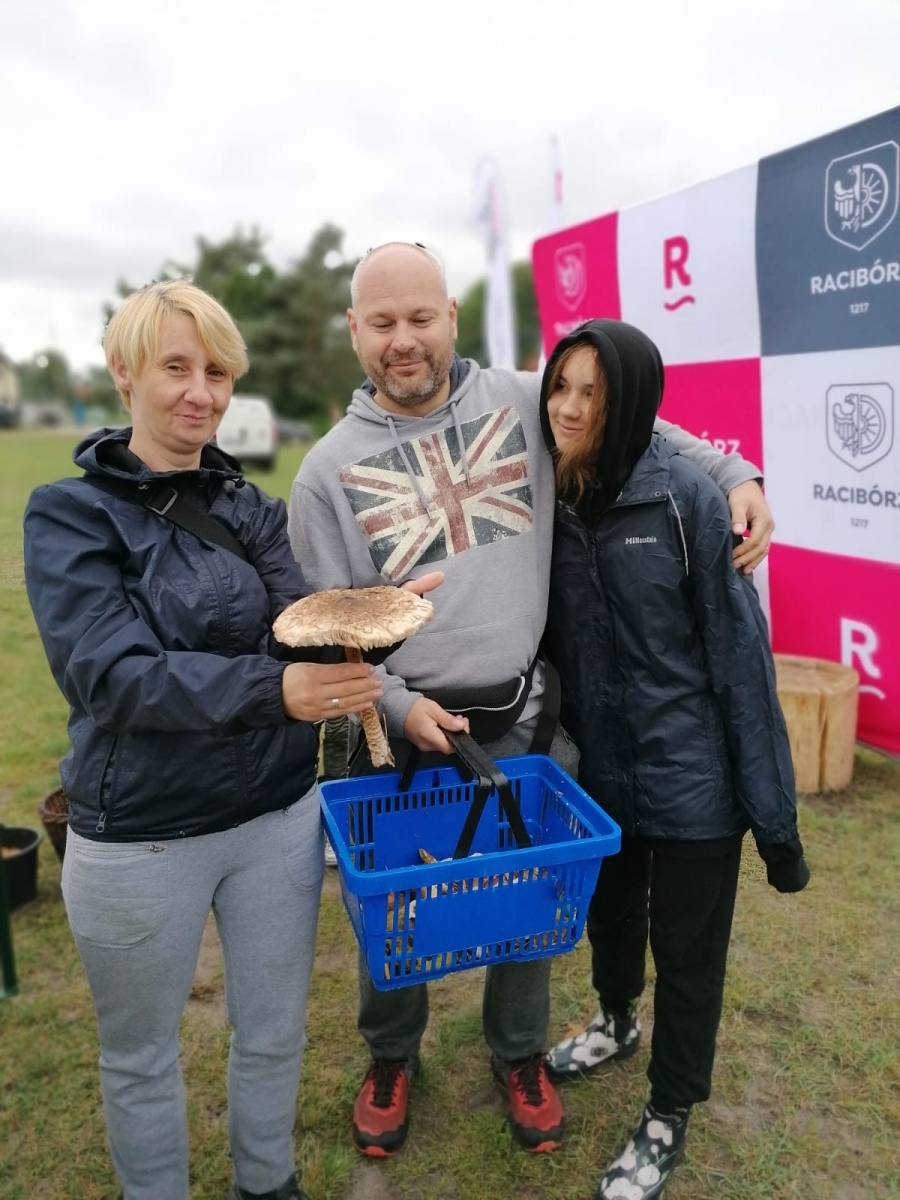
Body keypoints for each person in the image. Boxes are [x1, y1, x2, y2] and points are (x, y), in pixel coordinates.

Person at [287, 242, 776, 1159]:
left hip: (523, 718)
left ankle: (518, 1054)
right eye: (383, 323)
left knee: (526, 902)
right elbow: (332, 626)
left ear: (452, 320)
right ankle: (391, 1057)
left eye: (421, 318)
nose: (405, 341)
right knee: (397, 911)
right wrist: (394, 707)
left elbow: (635, 426)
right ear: (354, 330)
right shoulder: (326, 472)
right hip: (405, 736)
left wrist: (733, 475)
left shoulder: (524, 401)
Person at [22, 280, 436, 1200]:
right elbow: (111, 675)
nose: (200, 392)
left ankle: (268, 1182)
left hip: (274, 819)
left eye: (216, 371)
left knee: (274, 1030)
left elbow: (300, 617)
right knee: (139, 1057)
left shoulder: (245, 503)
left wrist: (376, 619)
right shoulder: (69, 514)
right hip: (140, 834)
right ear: (124, 374)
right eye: (176, 367)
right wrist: (279, 690)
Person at [538, 319, 809, 1200]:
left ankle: (668, 1114)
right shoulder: (551, 497)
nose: (571, 408)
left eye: (595, 394)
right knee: (611, 920)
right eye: (562, 387)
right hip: (603, 776)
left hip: (694, 783)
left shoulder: (690, 501)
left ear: (633, 408)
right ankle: (616, 1020)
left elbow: (740, 663)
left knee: (690, 956)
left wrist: (774, 826)